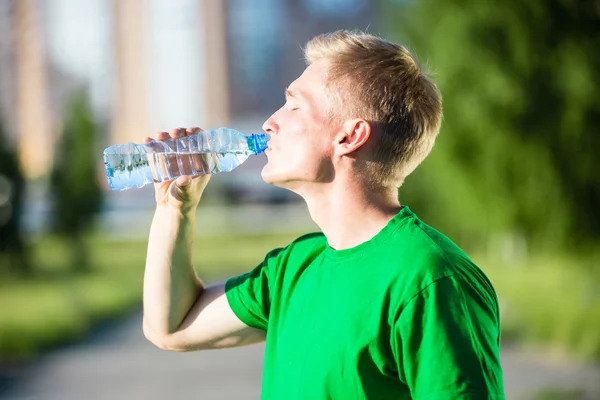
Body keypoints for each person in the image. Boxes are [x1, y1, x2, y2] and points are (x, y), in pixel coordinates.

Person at [141, 30, 505, 399]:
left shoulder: (431, 279)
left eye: (294, 106)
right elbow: (171, 328)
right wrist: (175, 207)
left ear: (349, 136)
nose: (270, 122)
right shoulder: (295, 267)